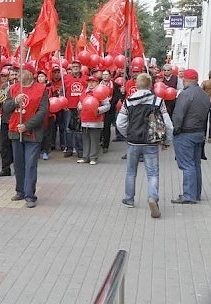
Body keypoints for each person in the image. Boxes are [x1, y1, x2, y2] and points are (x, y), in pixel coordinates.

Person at [116, 73, 173, 218]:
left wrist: (127, 134)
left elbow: (119, 123)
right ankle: (152, 197)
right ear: (151, 86)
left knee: (130, 172)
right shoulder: (158, 101)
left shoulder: (128, 101)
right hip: (151, 142)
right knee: (153, 173)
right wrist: (166, 141)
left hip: (133, 142)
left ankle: (129, 199)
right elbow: (168, 124)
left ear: (137, 85)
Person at [7, 63, 49, 208]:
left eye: (21, 72)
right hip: (15, 131)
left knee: (30, 164)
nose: (18, 75)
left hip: (32, 133)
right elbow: (5, 107)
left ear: (30, 74)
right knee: (18, 164)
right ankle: (20, 191)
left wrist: (27, 125)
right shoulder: (13, 88)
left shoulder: (41, 89)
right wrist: (14, 102)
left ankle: (30, 195)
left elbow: (43, 112)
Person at [170, 69, 210, 204]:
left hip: (186, 133)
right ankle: (196, 193)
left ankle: (189, 195)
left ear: (184, 80)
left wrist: (175, 130)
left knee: (187, 165)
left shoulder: (185, 94)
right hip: (199, 132)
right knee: (195, 164)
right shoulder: (204, 95)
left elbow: (178, 114)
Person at [77, 76, 110, 165]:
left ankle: (93, 157)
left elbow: (107, 106)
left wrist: (98, 110)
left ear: (97, 83)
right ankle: (85, 157)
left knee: (94, 140)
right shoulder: (84, 92)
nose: (91, 84)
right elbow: (80, 102)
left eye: (93, 82)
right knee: (85, 139)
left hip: (96, 121)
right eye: (89, 82)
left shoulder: (101, 92)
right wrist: (79, 106)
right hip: (84, 120)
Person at [63, 60, 87, 158]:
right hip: (69, 107)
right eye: (73, 67)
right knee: (68, 129)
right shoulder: (66, 78)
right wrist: (63, 103)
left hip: (81, 108)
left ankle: (80, 150)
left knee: (79, 130)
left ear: (80, 68)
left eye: (77, 66)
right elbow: (62, 92)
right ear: (71, 68)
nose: (75, 68)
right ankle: (69, 149)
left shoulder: (85, 79)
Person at [0, 67, 14, 175]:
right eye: (12, 74)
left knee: (16, 146)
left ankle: (18, 167)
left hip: (18, 121)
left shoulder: (22, 87)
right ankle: (5, 168)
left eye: (16, 74)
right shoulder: (4, 87)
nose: (14, 76)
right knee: (5, 145)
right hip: (6, 119)